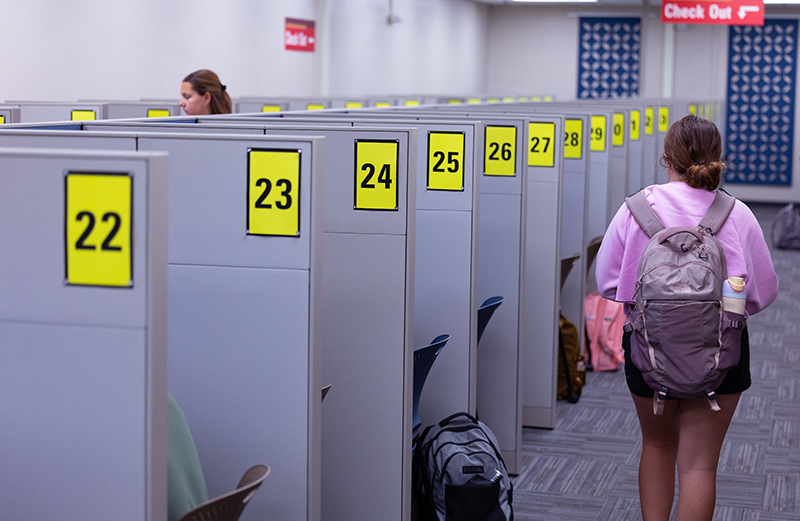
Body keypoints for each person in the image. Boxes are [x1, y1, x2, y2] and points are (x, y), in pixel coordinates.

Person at [595, 114, 778, 521]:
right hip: (721, 351)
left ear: (667, 158)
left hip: (648, 350)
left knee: (657, 446)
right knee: (698, 465)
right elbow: (763, 293)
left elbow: (608, 283)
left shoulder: (635, 209)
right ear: (718, 158)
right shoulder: (739, 213)